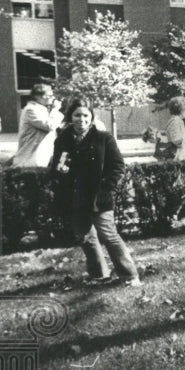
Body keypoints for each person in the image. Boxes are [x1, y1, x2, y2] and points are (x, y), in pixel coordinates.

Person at [49, 97, 140, 286]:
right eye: (76, 115)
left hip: (99, 197)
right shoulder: (63, 140)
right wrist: (60, 179)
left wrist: (106, 188)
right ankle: (99, 274)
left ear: (91, 117)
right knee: (85, 236)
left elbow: (117, 167)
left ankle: (129, 275)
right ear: (70, 117)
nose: (80, 119)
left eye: (85, 115)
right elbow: (56, 167)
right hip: (74, 197)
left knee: (109, 234)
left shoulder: (103, 138)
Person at [12, 83, 64, 167]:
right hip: (30, 158)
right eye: (49, 95)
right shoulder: (31, 110)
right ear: (38, 97)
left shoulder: (41, 108)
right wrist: (56, 110)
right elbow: (49, 125)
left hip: (39, 156)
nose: (52, 98)